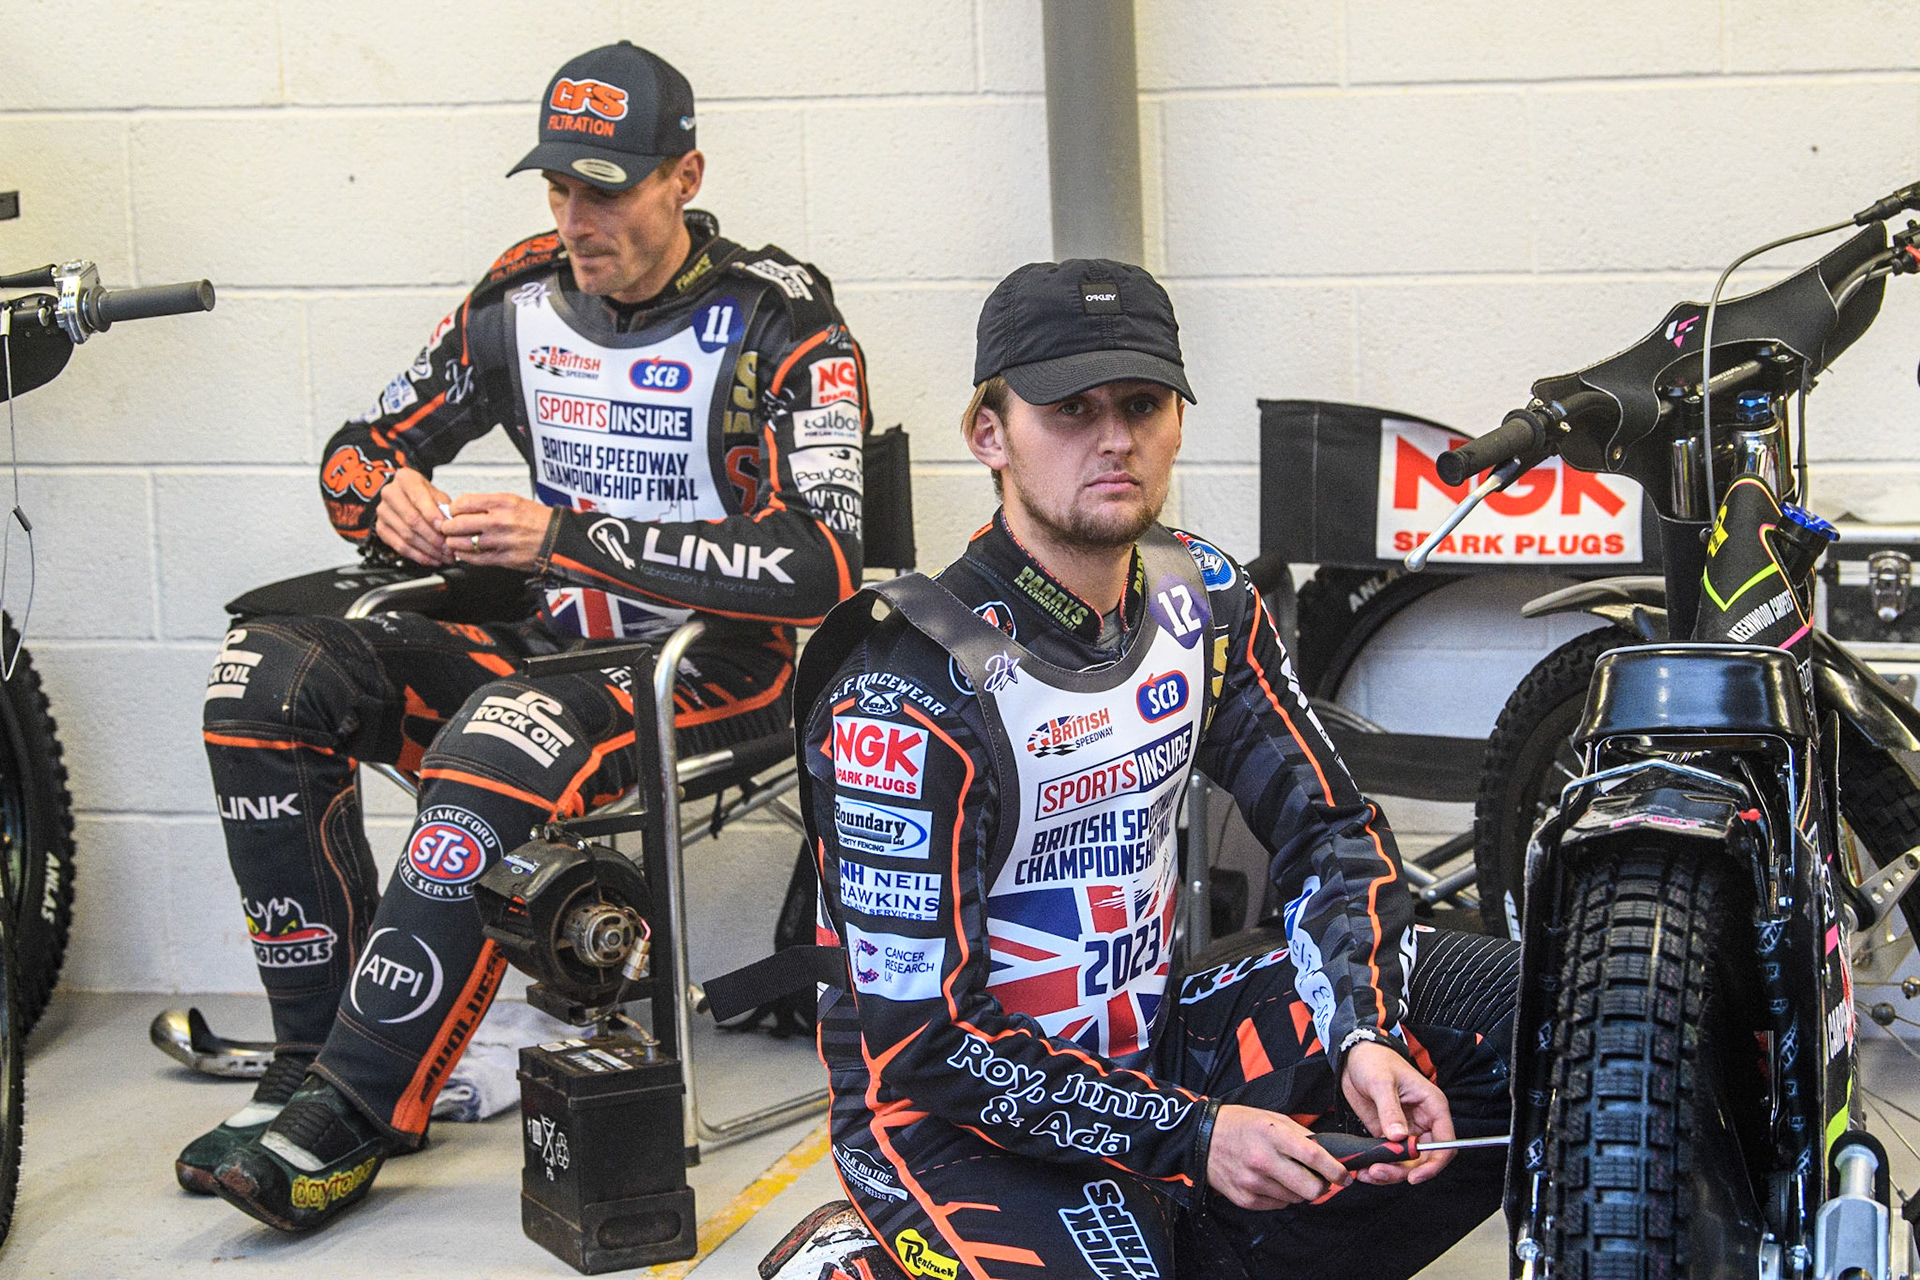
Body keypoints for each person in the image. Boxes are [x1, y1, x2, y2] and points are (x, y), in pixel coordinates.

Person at [187, 41, 870, 1232]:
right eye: (557, 185)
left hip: (714, 669)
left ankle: (358, 1107)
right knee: (262, 672)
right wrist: (384, 496)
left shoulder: (780, 316)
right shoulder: (518, 294)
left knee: (502, 734)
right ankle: (307, 1061)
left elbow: (822, 565)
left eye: (605, 186)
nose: (575, 216)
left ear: (685, 174)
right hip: (550, 644)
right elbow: (360, 445)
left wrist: (571, 535)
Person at [792, 260, 1517, 1278]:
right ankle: (863, 1261)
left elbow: (1331, 830)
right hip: (950, 1119)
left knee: (1534, 1016)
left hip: (1160, 1041)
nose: (1115, 437)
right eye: (1069, 409)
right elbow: (928, 1048)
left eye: (1141, 402)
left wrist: (1365, 1031)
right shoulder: (905, 689)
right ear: (989, 433)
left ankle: (1182, 1233)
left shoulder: (1202, 596)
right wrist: (1199, 1135)